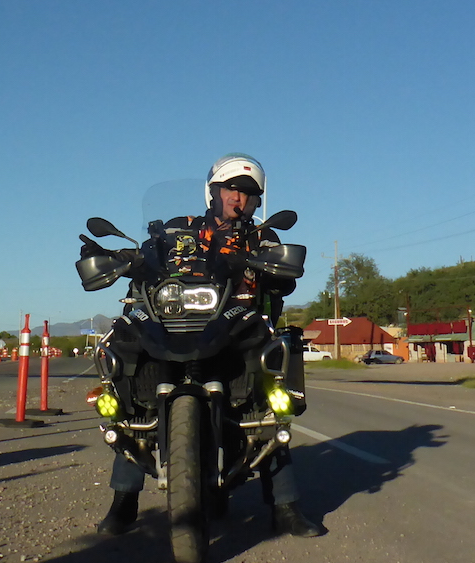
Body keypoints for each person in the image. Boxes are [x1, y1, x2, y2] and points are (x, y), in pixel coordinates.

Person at [97, 154, 325, 539]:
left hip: (238, 324)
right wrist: (125, 257)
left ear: (256, 200)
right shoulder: (178, 228)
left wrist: (273, 266)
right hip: (175, 321)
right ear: (213, 192)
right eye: (231, 189)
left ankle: (286, 508)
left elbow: (285, 283)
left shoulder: (263, 236)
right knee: (133, 396)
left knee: (269, 406)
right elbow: (149, 256)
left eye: (248, 193)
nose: (238, 198)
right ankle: (123, 502)